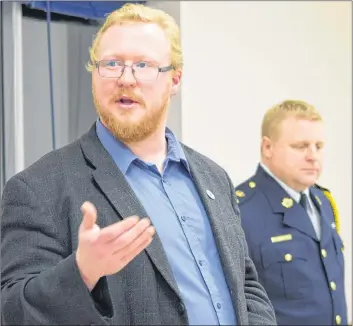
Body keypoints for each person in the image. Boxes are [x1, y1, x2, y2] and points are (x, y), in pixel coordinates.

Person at [1, 4, 276, 325]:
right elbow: (13, 310)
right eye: (112, 63)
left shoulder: (214, 178)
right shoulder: (39, 187)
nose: (126, 79)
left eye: (143, 65)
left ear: (174, 79)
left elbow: (244, 283)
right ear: (94, 73)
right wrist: (82, 273)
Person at [234, 100, 347, 325]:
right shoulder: (239, 211)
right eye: (300, 146)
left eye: (319, 146)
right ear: (268, 148)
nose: (312, 156)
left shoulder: (323, 202)